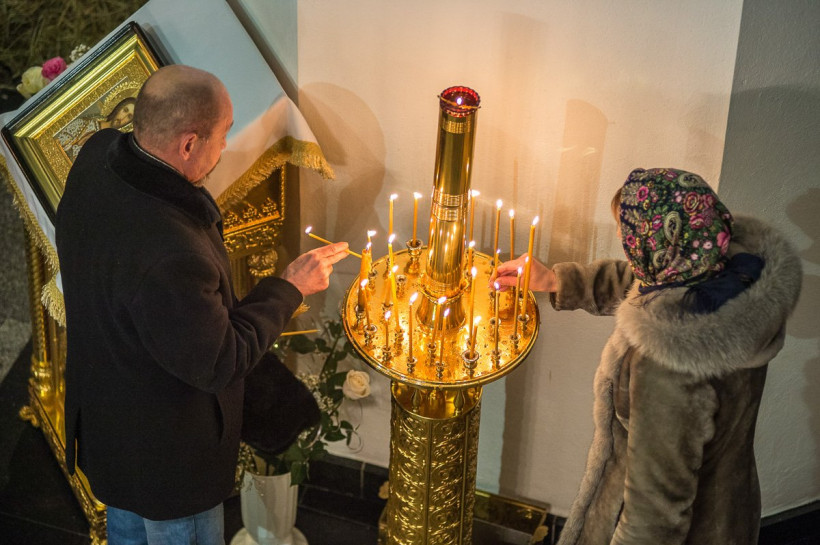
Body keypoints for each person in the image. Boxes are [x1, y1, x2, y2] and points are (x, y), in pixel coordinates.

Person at [55, 65, 349, 544]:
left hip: (108, 427)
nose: (227, 147)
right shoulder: (173, 252)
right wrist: (290, 287)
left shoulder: (95, 156)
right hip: (167, 460)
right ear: (188, 144)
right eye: (224, 133)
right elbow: (220, 360)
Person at [495, 167, 801, 545]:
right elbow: (645, 285)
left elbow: (655, 514)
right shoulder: (728, 278)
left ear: (657, 246)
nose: (623, 243)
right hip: (727, 514)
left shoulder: (669, 366)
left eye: (627, 235)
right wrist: (557, 281)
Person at [56, 96, 137, 161]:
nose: (123, 117)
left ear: (129, 122)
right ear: (118, 108)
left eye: (129, 117)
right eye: (125, 110)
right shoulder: (85, 123)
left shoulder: (112, 147)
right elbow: (60, 141)